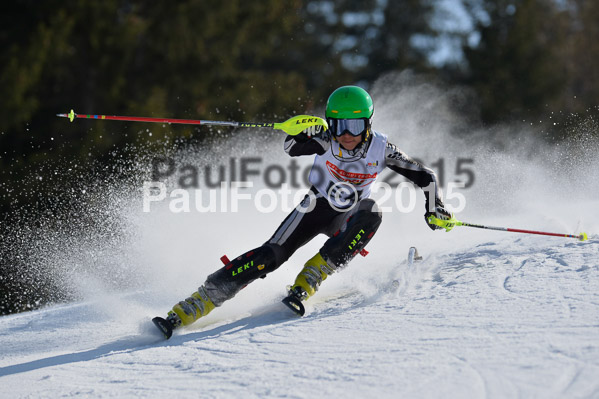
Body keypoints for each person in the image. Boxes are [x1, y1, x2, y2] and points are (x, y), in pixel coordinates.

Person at [153, 85, 451, 337]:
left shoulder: (382, 148)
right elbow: (290, 147)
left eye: (355, 126)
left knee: (372, 211)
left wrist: (433, 207)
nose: (346, 135)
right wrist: (303, 133)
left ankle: (312, 275)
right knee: (270, 256)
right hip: (314, 206)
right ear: (330, 124)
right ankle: (198, 302)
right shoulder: (325, 139)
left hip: (348, 215)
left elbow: (424, 176)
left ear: (368, 124)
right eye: (339, 125)